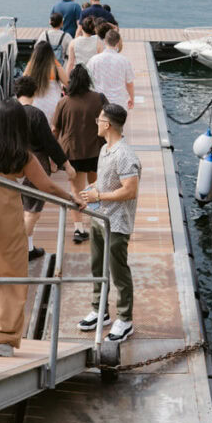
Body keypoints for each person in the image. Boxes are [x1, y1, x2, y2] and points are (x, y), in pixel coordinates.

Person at [0, 99, 75, 356]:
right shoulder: (22, 155)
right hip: (5, 217)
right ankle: (0, 336)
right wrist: (73, 200)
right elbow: (47, 187)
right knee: (12, 277)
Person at [78, 103, 141, 344]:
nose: (96, 122)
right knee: (97, 266)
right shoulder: (105, 149)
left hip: (116, 222)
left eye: (99, 119)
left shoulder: (125, 155)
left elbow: (130, 190)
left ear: (108, 124)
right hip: (99, 217)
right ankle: (100, 309)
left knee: (118, 271)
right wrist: (90, 192)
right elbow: (104, 183)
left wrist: (99, 196)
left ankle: (125, 318)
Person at [14, 75, 76, 260]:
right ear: (35, 92)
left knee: (20, 209)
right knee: (32, 211)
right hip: (35, 164)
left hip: (10, 163)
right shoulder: (35, 114)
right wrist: (66, 164)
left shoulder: (6, 112)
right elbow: (50, 142)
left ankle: (29, 248)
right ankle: (19, 249)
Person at [52, 65, 106, 244]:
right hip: (96, 150)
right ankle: (98, 221)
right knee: (95, 186)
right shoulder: (99, 98)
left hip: (72, 153)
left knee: (76, 191)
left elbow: (55, 130)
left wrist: (53, 156)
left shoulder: (63, 102)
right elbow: (110, 119)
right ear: (87, 80)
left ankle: (78, 228)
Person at [87, 30, 135, 110]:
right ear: (117, 43)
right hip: (119, 103)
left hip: (99, 102)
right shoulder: (124, 60)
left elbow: (87, 79)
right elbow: (129, 83)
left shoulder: (94, 60)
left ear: (105, 41)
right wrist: (131, 98)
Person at [23, 40, 68, 125]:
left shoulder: (31, 65)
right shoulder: (55, 66)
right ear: (51, 53)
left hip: (35, 105)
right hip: (53, 107)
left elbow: (22, 83)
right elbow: (68, 84)